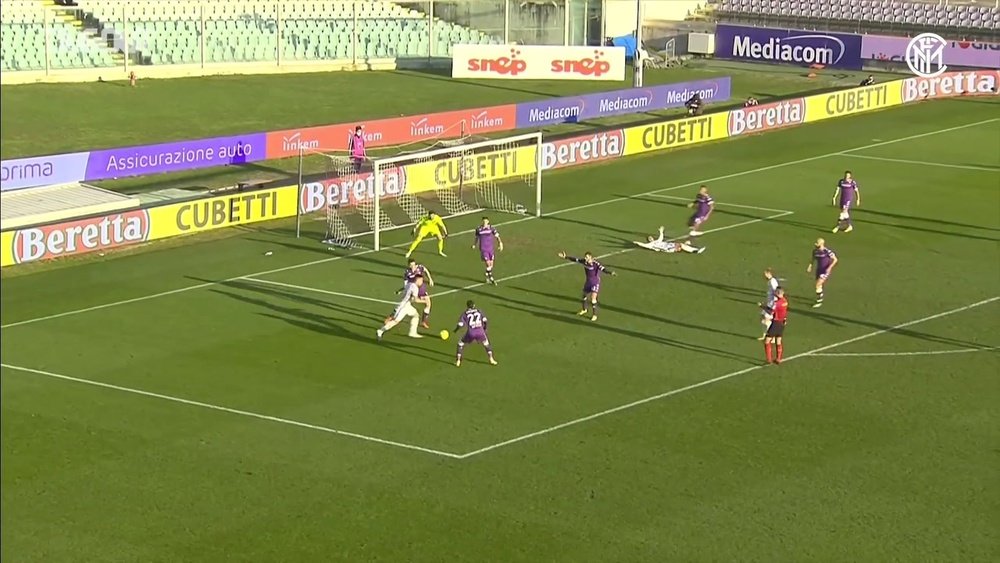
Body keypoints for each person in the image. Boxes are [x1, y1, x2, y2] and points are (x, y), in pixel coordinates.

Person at [557, 251, 616, 322]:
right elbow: (575, 259)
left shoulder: (595, 264)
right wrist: (565, 257)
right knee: (584, 295)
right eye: (585, 257)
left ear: (591, 257)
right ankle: (584, 309)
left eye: (587, 257)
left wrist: (610, 273)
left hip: (595, 283)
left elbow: (603, 269)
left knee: (593, 299)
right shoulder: (584, 262)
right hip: (588, 282)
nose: (585, 258)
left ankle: (594, 315)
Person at [377, 275, 428, 340]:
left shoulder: (409, 284)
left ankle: (412, 332)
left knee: (416, 315)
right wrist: (424, 301)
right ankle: (381, 331)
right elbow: (416, 300)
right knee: (395, 321)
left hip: (407, 305)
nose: (422, 282)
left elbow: (407, 293)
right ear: (418, 280)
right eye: (421, 280)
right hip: (403, 306)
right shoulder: (415, 288)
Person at [390, 260, 434, 328]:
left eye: (413, 265)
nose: (412, 267)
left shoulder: (420, 267)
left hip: (421, 289)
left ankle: (423, 321)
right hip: (412, 290)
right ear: (409, 265)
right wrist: (402, 290)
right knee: (404, 303)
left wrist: (430, 279)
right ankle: (392, 316)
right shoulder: (407, 272)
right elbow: (406, 284)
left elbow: (426, 270)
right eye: (411, 265)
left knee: (428, 304)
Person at [454, 300, 498, 367]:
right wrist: (485, 329)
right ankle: (491, 359)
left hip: (470, 333)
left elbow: (460, 324)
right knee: (486, 344)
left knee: (460, 344)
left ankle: (458, 361)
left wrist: (455, 330)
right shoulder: (479, 311)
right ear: (474, 305)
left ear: (467, 306)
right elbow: (485, 320)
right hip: (480, 332)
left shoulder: (465, 313)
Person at [758, 286, 788, 364]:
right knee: (778, 340)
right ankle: (778, 359)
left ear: (778, 293)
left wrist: (762, 306)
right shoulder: (785, 301)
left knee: (767, 341)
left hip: (776, 323)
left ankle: (769, 359)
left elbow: (771, 312)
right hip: (782, 323)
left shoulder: (777, 303)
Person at [806, 238, 838, 308]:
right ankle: (820, 295)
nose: (815, 244)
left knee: (817, 284)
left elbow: (835, 260)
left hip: (825, 270)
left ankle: (819, 300)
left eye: (817, 243)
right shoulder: (815, 251)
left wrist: (829, 268)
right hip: (819, 270)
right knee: (818, 285)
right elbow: (812, 259)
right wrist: (810, 266)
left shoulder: (827, 251)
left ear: (821, 244)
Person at [473, 216, 504, 286]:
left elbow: (497, 236)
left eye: (486, 221)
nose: (484, 223)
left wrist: (500, 243)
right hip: (483, 249)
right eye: (483, 221)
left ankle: (487, 275)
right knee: (488, 264)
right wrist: (474, 244)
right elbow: (476, 238)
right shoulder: (479, 229)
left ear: (488, 222)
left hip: (490, 248)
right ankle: (491, 278)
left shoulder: (491, 228)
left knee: (491, 265)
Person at [634, 226, 705, 254]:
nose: (651, 238)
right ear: (648, 240)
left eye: (651, 237)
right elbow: (643, 245)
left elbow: (661, 237)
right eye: (649, 238)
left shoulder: (657, 241)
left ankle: (689, 247)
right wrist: (637, 242)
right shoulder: (650, 245)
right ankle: (696, 251)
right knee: (681, 245)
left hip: (670, 245)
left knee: (686, 243)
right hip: (669, 248)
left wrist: (661, 231)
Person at [759, 268, 781, 340]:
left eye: (765, 274)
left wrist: (775, 303)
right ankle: (765, 335)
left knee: (767, 320)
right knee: (762, 317)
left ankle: (772, 336)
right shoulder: (770, 281)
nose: (764, 275)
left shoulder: (773, 282)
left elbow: (777, 292)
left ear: (769, 274)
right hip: (769, 302)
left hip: (772, 304)